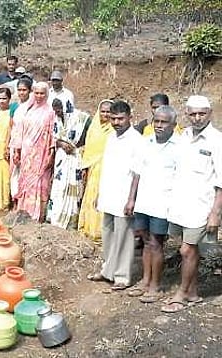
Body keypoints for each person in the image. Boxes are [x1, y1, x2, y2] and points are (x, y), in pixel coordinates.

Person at [162, 95, 222, 313]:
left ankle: (182, 294)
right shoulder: (183, 136)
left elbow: (221, 181)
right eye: (193, 113)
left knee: (187, 250)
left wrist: (216, 213)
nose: (197, 118)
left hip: (201, 207)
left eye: (202, 113)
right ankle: (194, 292)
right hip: (180, 205)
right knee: (190, 250)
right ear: (186, 114)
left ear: (210, 113)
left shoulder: (217, 140)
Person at [125, 105, 179, 303]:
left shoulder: (179, 147)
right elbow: (136, 173)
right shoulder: (145, 143)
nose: (159, 125)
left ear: (173, 125)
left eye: (164, 122)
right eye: (156, 121)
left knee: (156, 243)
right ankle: (145, 282)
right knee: (146, 241)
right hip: (144, 202)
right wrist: (131, 199)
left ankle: (156, 286)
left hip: (162, 204)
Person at [88, 100, 143, 290]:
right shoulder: (112, 137)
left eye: (121, 119)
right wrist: (99, 193)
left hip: (123, 197)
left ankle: (122, 276)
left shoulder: (136, 140)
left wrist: (131, 199)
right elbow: (108, 168)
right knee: (108, 234)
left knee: (124, 237)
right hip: (108, 195)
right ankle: (107, 271)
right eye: (114, 118)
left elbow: (137, 172)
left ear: (130, 117)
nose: (117, 122)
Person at [13, 82, 55, 222]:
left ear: (46, 94)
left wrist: (50, 154)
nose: (38, 96)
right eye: (36, 93)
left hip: (41, 154)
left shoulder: (50, 112)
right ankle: (23, 211)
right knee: (24, 181)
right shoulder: (28, 110)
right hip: (26, 153)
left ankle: (36, 216)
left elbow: (52, 135)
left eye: (42, 93)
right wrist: (17, 151)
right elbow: (20, 131)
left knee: (40, 182)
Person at [47, 99, 91, 229]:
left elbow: (90, 138)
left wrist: (77, 147)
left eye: (60, 110)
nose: (58, 113)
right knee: (59, 188)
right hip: (61, 160)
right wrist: (61, 144)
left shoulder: (82, 119)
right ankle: (56, 219)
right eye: (55, 111)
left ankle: (70, 222)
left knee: (74, 188)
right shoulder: (56, 119)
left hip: (76, 158)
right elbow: (54, 138)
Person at [78, 100, 114, 241]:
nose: (105, 114)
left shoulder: (113, 130)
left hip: (107, 169)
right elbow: (88, 148)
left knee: (102, 196)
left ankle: (100, 231)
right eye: (103, 111)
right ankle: (88, 227)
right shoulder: (94, 128)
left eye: (108, 111)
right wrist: (85, 166)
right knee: (91, 196)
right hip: (93, 168)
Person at [9, 78, 32, 201]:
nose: (22, 93)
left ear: (30, 91)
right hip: (15, 143)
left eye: (24, 90)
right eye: (19, 90)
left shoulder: (33, 107)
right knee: (14, 172)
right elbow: (11, 126)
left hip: (28, 145)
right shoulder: (15, 106)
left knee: (25, 172)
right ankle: (14, 200)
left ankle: (24, 200)